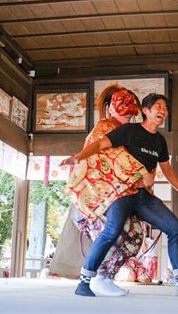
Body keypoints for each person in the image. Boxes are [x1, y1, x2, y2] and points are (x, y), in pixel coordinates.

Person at [61, 93, 178, 298]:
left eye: (165, 108)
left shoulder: (159, 141)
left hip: (142, 196)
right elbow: (100, 145)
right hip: (122, 192)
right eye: (158, 106)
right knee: (112, 231)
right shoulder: (129, 130)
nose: (162, 110)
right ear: (146, 111)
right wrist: (79, 156)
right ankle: (85, 281)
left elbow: (167, 170)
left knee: (176, 229)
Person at [58, 85, 154, 296]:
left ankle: (105, 276)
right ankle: (92, 278)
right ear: (110, 108)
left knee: (136, 235)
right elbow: (108, 161)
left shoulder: (131, 133)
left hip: (120, 197)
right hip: (96, 198)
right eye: (120, 106)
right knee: (113, 233)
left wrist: (145, 178)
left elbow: (138, 166)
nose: (125, 114)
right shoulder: (104, 127)